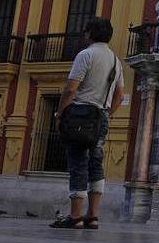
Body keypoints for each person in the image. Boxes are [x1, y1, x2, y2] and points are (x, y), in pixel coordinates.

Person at [50, 18, 123, 230]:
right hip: (101, 117)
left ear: (89, 34)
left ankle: (75, 217)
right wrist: (107, 113)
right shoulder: (115, 61)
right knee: (95, 164)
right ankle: (93, 216)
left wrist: (60, 113)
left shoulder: (86, 55)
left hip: (80, 115)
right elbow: (119, 94)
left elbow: (71, 88)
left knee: (78, 164)